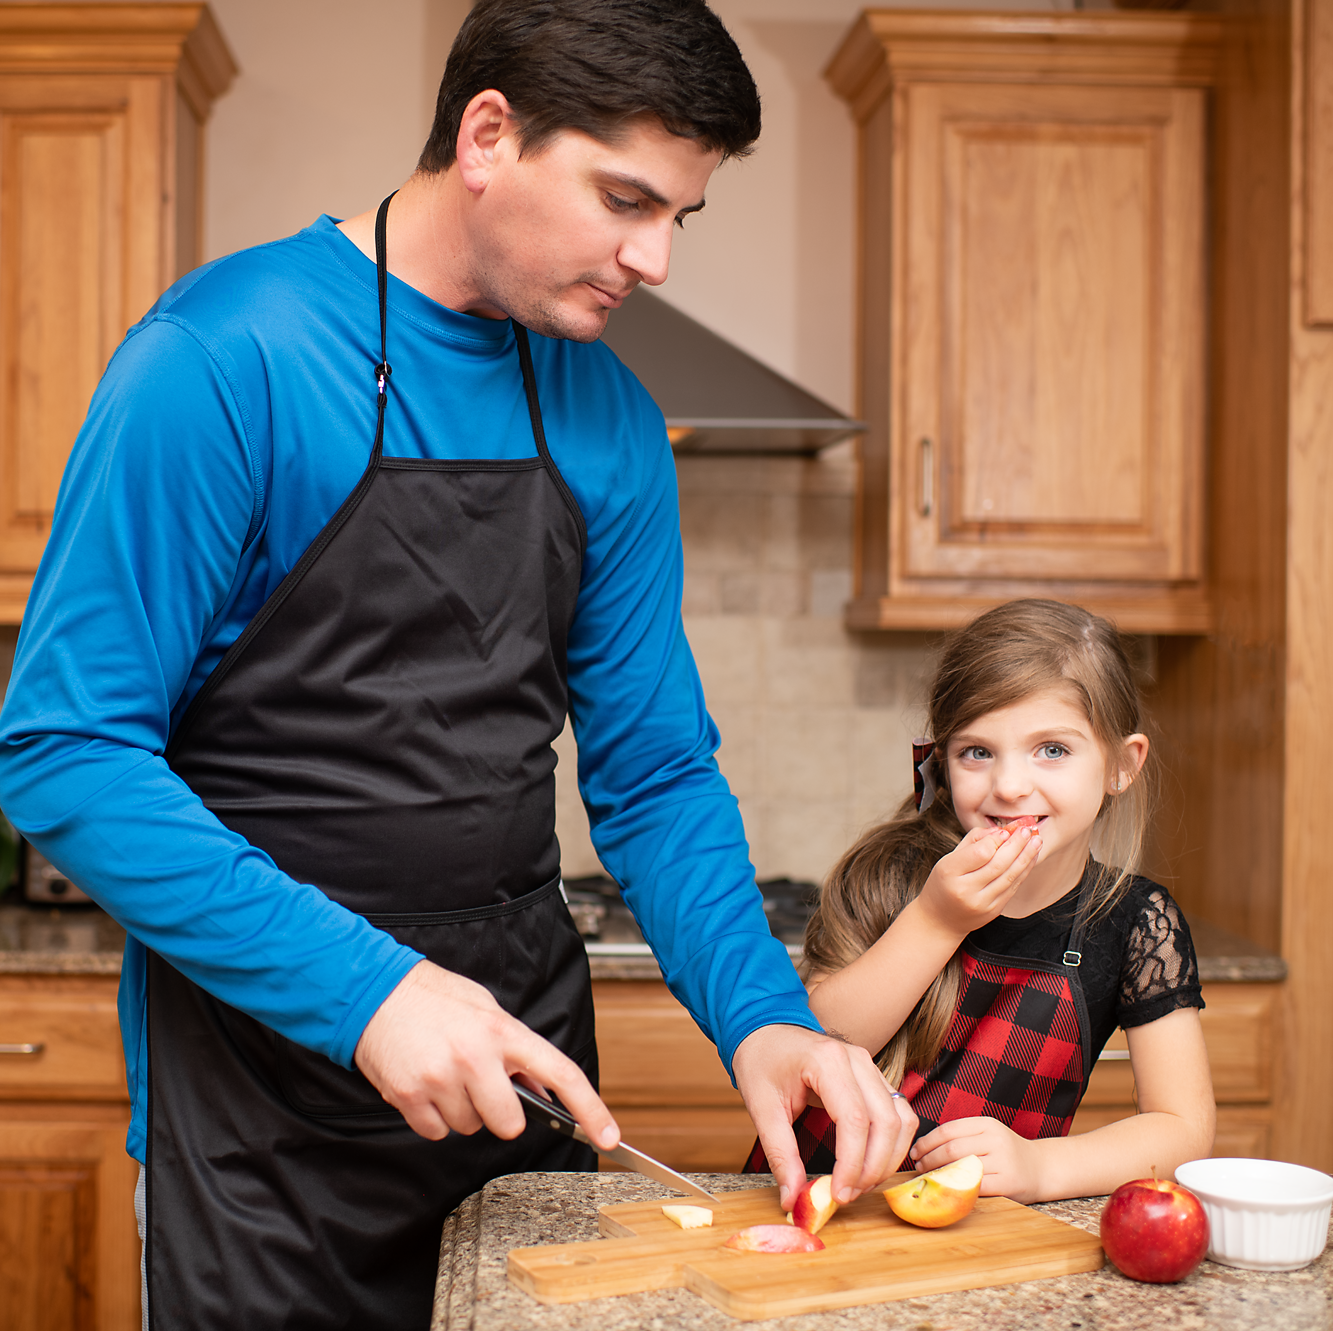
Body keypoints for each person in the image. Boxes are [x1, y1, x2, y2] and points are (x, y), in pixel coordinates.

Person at [0, 2, 914, 1327]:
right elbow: (65, 752)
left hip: (521, 1077)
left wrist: (764, 1018)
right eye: (623, 199)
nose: (653, 259)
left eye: (680, 217)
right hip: (266, 1118)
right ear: (488, 134)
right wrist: (369, 990)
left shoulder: (608, 413)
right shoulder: (223, 358)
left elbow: (654, 773)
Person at [745, 599, 1216, 1201]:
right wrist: (936, 920)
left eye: (1052, 749)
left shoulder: (1136, 925)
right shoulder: (886, 872)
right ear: (941, 760)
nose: (1010, 786)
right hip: (817, 1203)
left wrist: (1041, 1168)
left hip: (974, 1233)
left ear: (1121, 765)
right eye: (978, 752)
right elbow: (816, 1046)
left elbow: (1183, 1128)